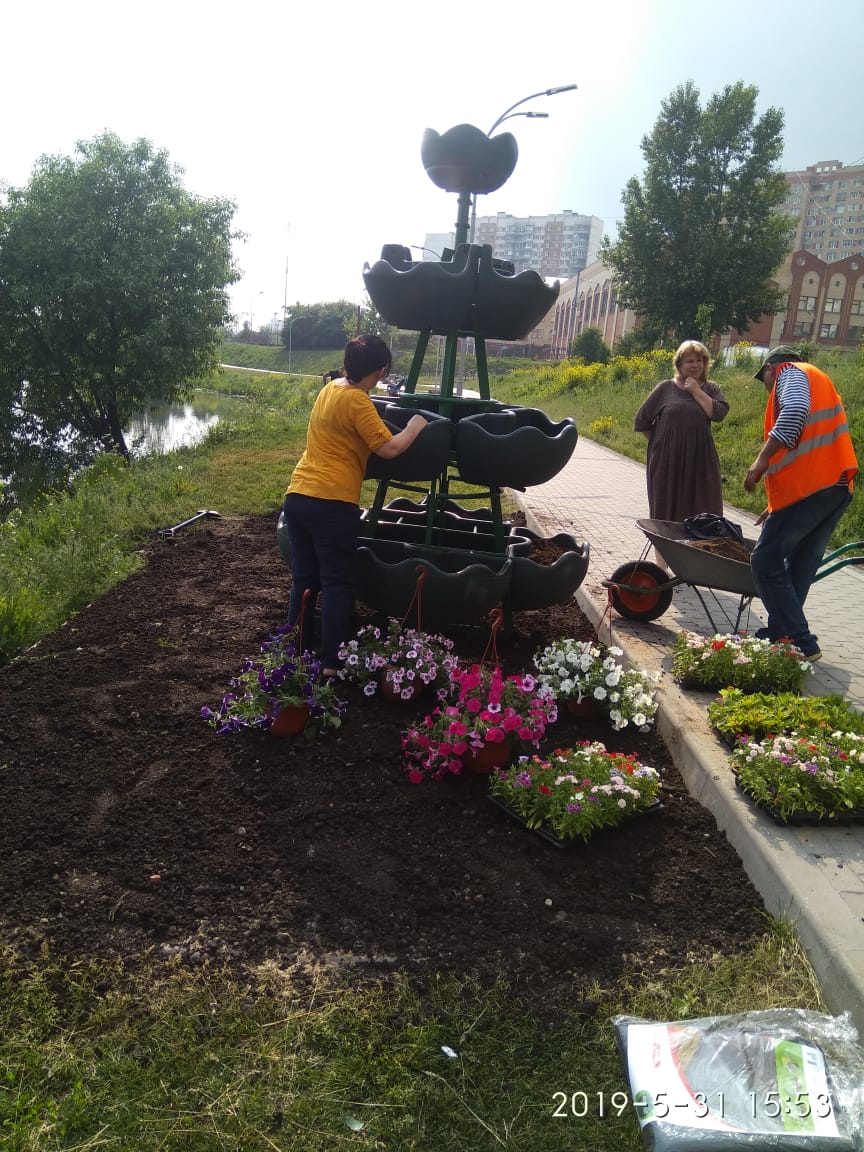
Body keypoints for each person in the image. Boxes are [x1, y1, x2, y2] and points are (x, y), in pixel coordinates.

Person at [282, 334, 427, 676]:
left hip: (298, 495)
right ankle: (331, 663)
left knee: (304, 578)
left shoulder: (330, 389)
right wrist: (416, 426)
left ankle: (293, 651)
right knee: (336, 582)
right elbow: (389, 448)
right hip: (331, 503)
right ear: (381, 370)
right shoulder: (359, 401)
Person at [744, 345, 857, 662]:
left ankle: (801, 640)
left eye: (764, 379)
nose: (767, 389)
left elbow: (793, 415)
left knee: (765, 560)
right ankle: (783, 637)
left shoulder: (790, 374)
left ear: (770, 368)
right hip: (833, 488)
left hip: (814, 488)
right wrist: (777, 502)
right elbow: (810, 447)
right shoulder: (818, 379)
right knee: (799, 569)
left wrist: (760, 462)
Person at [634, 339, 730, 564]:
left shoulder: (711, 389)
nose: (695, 365)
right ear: (679, 364)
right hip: (666, 463)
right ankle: (662, 565)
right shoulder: (665, 388)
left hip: (700, 461)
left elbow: (718, 413)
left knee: (702, 508)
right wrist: (662, 444)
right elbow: (642, 421)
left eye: (699, 360)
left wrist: (696, 391)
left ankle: (693, 565)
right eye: (689, 361)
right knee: (664, 509)